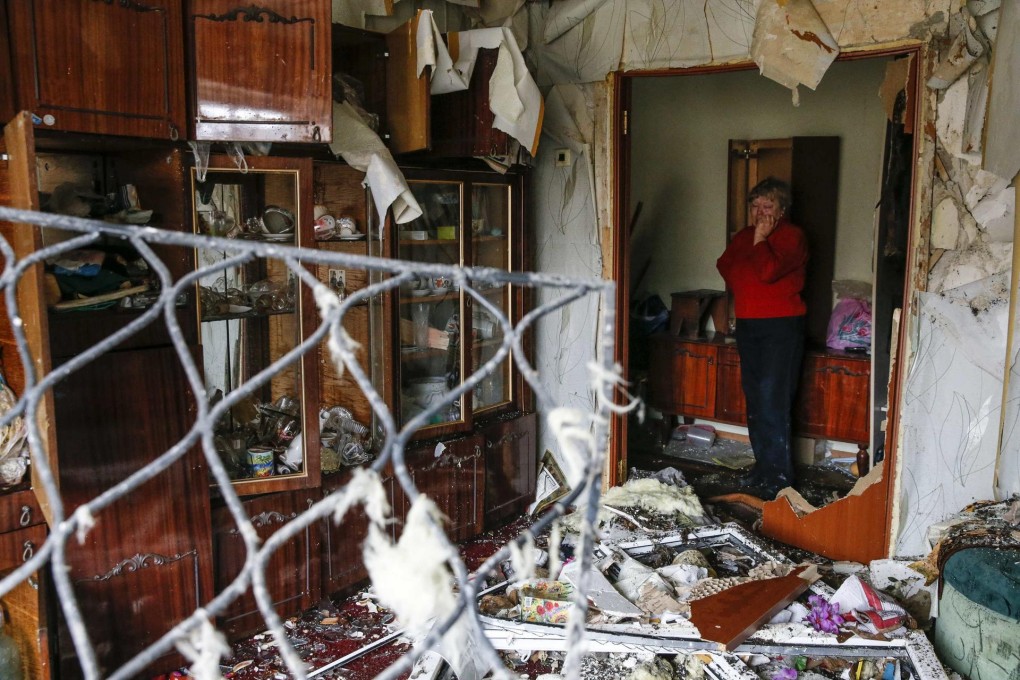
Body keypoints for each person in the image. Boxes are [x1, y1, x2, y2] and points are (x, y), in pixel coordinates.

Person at [716, 177, 808, 499]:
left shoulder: (792, 237)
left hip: (781, 327)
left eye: (767, 205)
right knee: (755, 399)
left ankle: (780, 477)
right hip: (749, 325)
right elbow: (726, 265)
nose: (759, 212)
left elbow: (767, 271)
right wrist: (753, 251)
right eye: (755, 205)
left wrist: (760, 241)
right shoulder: (745, 236)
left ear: (782, 209)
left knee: (773, 400)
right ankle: (762, 468)